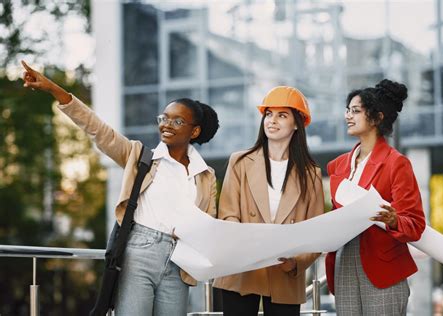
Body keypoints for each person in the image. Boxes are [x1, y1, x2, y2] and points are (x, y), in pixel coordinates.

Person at [21, 61, 220, 316]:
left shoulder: (205, 175)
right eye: (164, 118)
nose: (166, 125)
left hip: (179, 263)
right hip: (139, 254)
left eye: (177, 121)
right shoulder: (140, 156)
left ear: (195, 131)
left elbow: (210, 224)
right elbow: (98, 130)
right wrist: (53, 89)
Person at [213, 86, 325, 316]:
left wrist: (296, 262)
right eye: (268, 114)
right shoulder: (240, 161)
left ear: (297, 123)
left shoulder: (311, 174)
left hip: (284, 272)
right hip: (241, 268)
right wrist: (245, 245)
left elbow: (316, 231)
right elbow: (227, 213)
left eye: (282, 115)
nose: (272, 121)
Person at [325, 79, 426, 315]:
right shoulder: (338, 166)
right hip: (345, 263)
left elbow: (415, 224)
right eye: (348, 110)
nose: (348, 116)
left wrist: (393, 220)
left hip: (383, 267)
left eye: (356, 111)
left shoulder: (396, 163)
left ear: (378, 117)